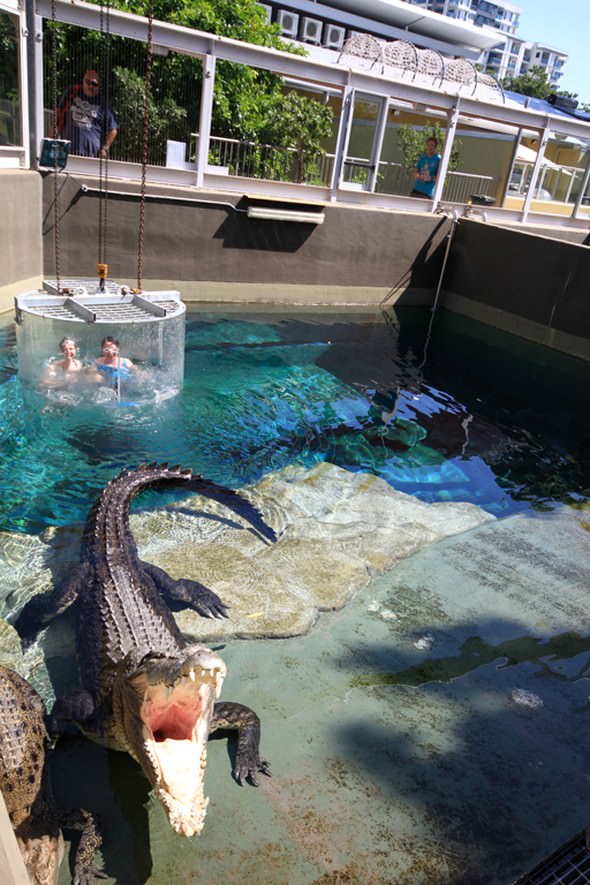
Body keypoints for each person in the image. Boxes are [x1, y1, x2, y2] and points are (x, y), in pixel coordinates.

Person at [54, 69, 118, 159]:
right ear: (83, 81)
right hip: (67, 151)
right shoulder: (72, 93)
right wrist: (52, 139)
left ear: (99, 86)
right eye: (87, 82)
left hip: (91, 155)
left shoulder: (104, 104)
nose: (90, 86)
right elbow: (57, 115)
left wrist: (104, 148)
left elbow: (113, 130)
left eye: (94, 84)